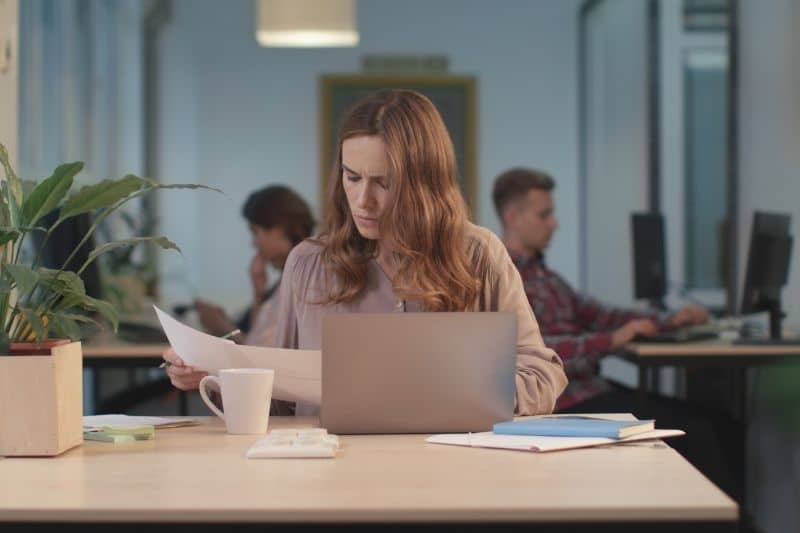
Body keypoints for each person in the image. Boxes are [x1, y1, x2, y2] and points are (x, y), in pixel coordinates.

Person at [165, 90, 567, 416]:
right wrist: (215, 374)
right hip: (328, 480)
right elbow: (280, 400)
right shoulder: (308, 262)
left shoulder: (479, 254)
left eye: (383, 183)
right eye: (352, 177)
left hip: (447, 474)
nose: (362, 200)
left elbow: (543, 377)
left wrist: (455, 388)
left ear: (424, 183)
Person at [492, 166, 735, 495]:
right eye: (544, 215)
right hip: (564, 402)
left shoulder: (545, 276)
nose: (554, 224)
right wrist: (613, 340)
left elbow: (599, 314)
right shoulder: (504, 278)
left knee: (718, 420)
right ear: (513, 217)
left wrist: (670, 321)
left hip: (591, 388)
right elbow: (535, 352)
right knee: (699, 428)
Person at [193, 185, 315, 346]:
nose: (254, 243)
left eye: (256, 232)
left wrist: (223, 327)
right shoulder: (286, 279)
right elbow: (258, 336)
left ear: (281, 228)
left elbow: (262, 354)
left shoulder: (305, 281)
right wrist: (259, 292)